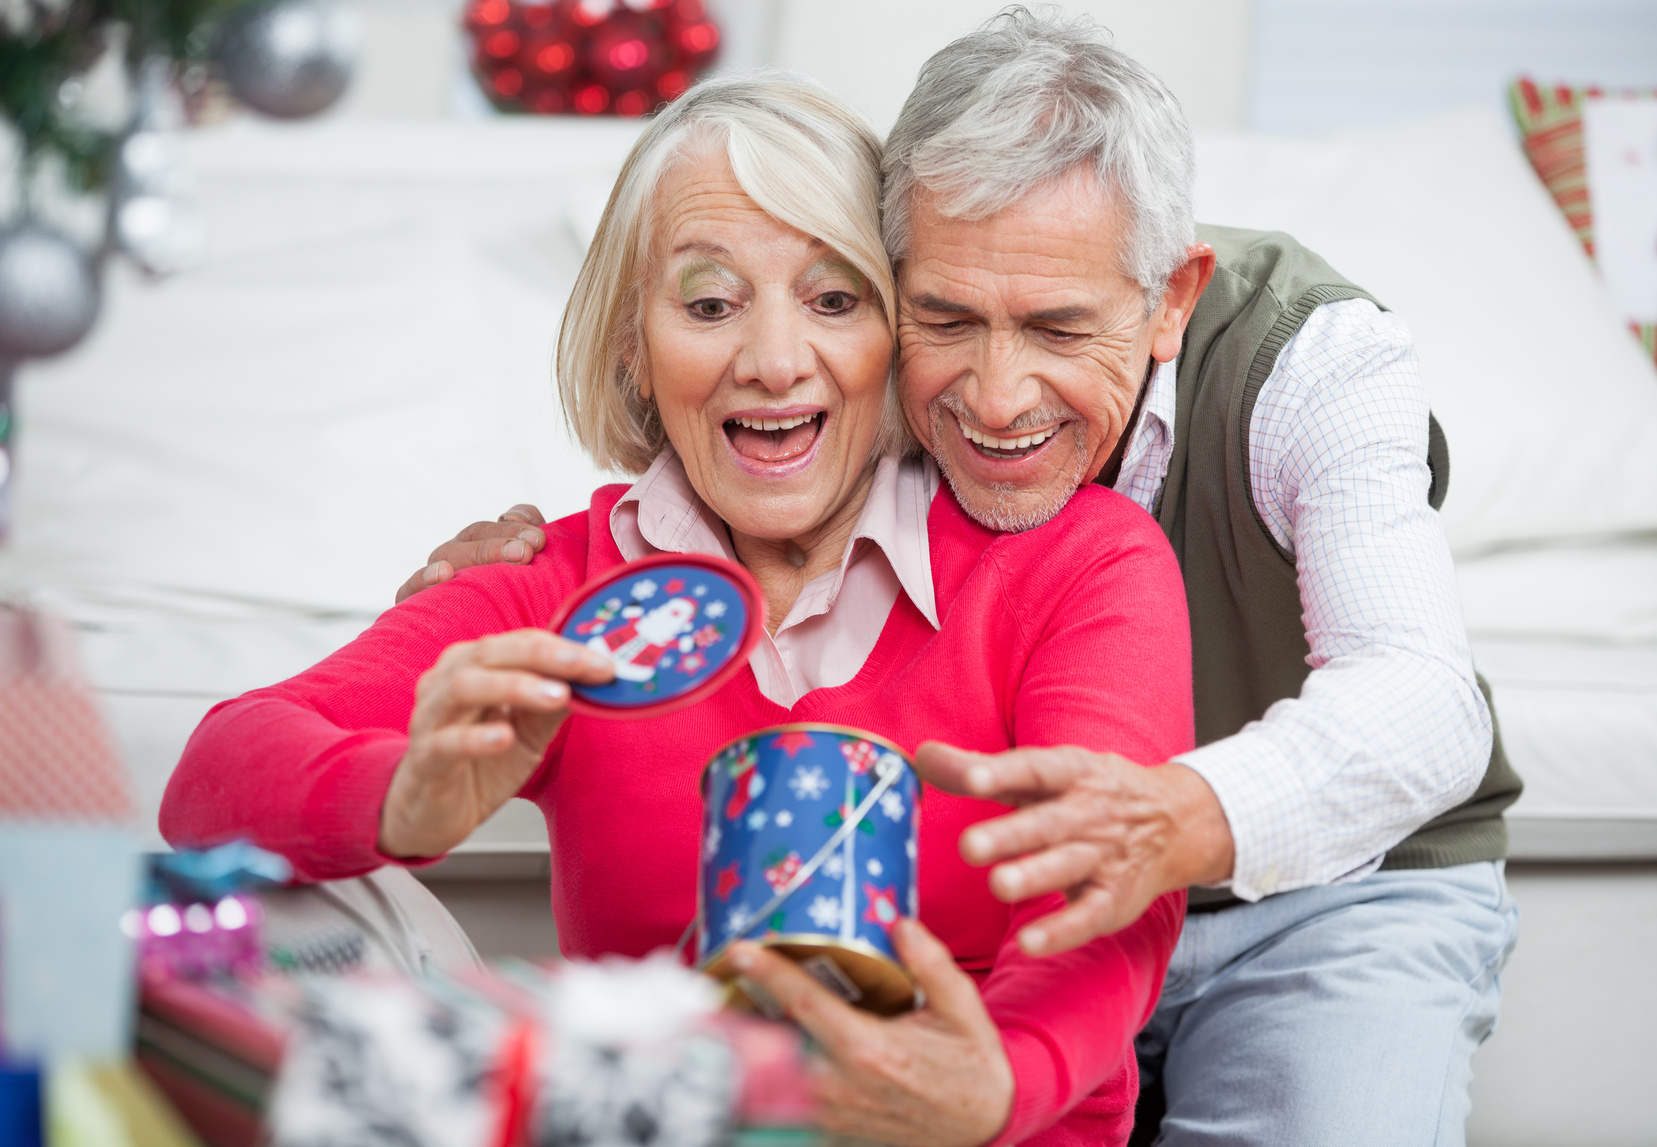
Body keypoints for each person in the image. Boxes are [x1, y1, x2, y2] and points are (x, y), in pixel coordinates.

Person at [418, 12, 1523, 1146]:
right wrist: (527, 563)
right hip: (1029, 925)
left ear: (1172, 299)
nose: (995, 398)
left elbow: (1420, 697)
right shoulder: (867, 370)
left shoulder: (1317, 361)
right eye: (945, 317)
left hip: (1322, 896)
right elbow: (736, 402)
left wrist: (1179, 817)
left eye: (1057, 328)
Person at [161, 76, 1196, 1147]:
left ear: (898, 335)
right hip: (665, 1123)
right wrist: (404, 801)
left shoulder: (1079, 564)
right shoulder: (563, 586)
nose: (775, 360)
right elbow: (212, 775)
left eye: (834, 301)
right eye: (709, 304)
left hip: (992, 1132)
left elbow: (1116, 885)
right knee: (309, 907)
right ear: (630, 346)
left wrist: (1000, 1086)